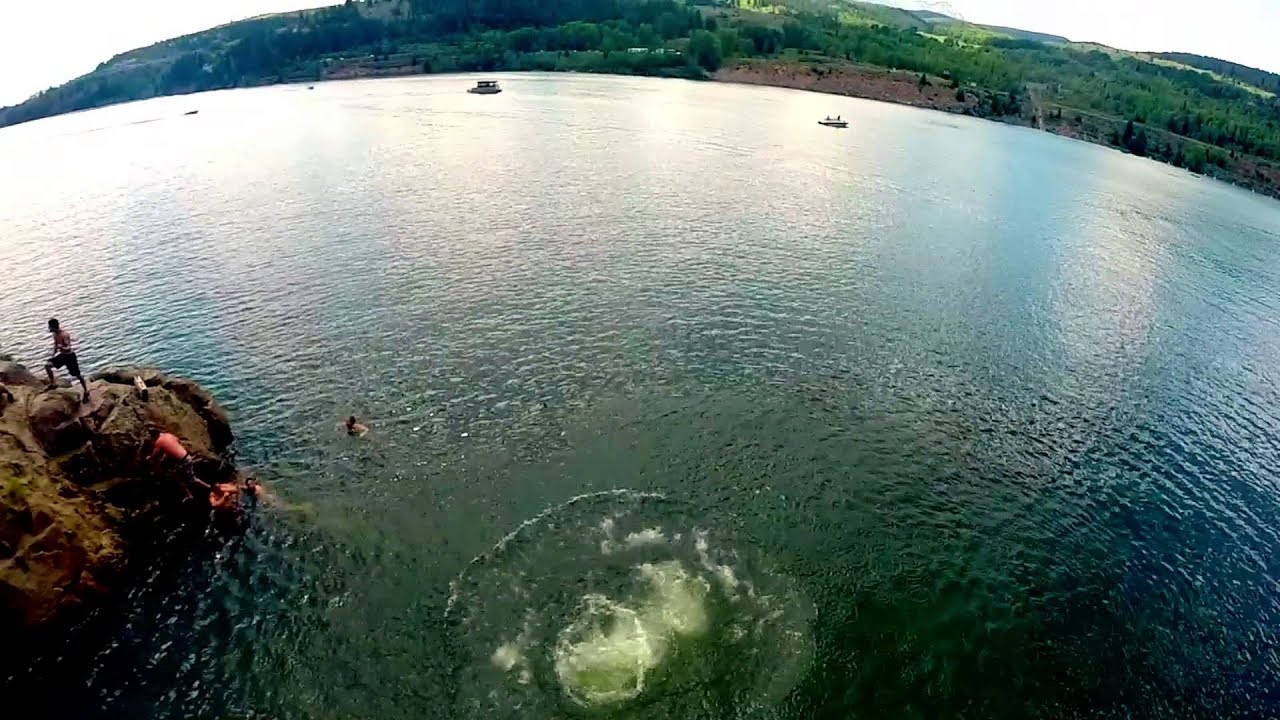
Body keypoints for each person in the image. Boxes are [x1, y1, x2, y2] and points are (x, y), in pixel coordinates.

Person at [146, 426, 209, 499]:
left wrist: (149, 458)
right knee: (186, 477)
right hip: (187, 456)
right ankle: (205, 487)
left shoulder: (158, 442)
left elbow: (155, 455)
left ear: (154, 436)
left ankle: (192, 493)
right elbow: (177, 441)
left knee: (181, 478)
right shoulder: (168, 435)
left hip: (183, 461)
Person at [44, 318, 89, 403]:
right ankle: (53, 384)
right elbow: (55, 345)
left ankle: (86, 391)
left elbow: (68, 348)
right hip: (62, 355)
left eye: (50, 327)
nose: (49, 328)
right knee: (47, 366)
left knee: (77, 375)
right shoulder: (55, 334)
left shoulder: (64, 335)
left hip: (70, 356)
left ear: (54, 327)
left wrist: (61, 347)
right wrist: (52, 355)